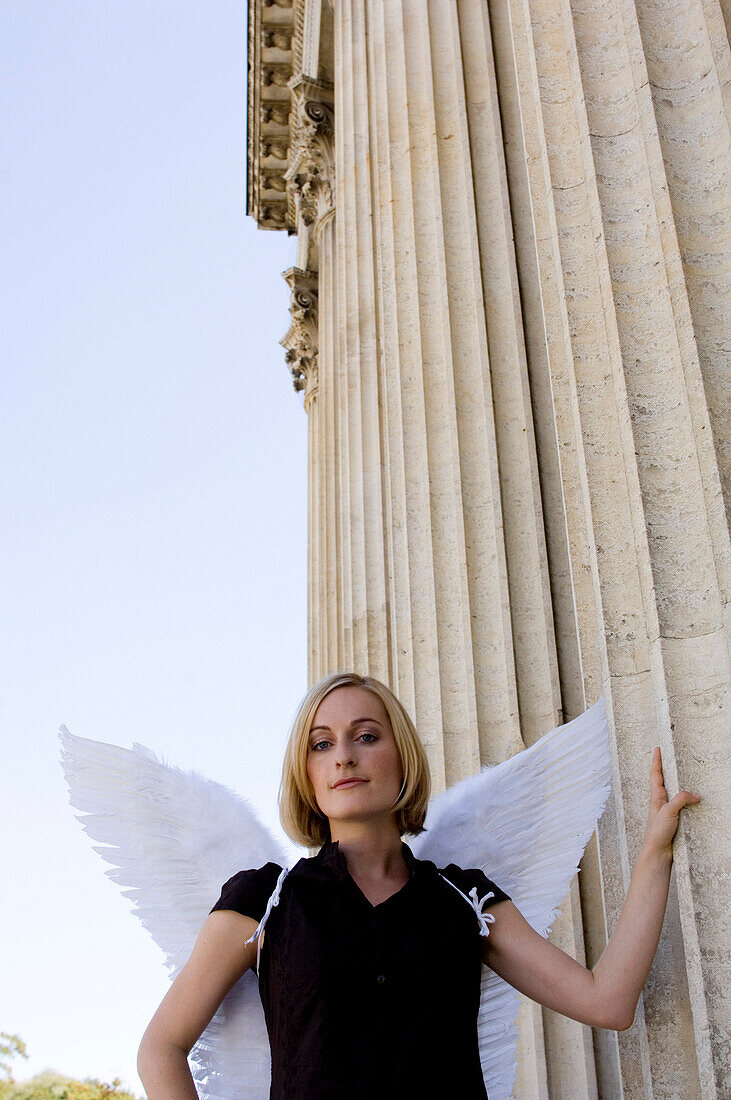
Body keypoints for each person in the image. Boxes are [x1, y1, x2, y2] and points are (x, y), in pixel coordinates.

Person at [136, 671, 700, 1099]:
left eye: (366, 736)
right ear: (304, 773)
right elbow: (161, 1048)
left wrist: (655, 851)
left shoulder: (464, 900)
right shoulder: (266, 900)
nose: (345, 758)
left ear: (401, 756)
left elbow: (608, 1000)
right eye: (322, 743)